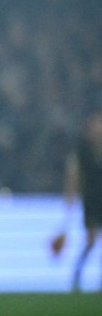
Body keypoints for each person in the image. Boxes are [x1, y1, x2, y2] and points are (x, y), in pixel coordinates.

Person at [49, 110, 102, 291]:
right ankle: (77, 274)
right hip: (92, 200)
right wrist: (70, 199)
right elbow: (73, 176)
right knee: (92, 241)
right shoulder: (81, 151)